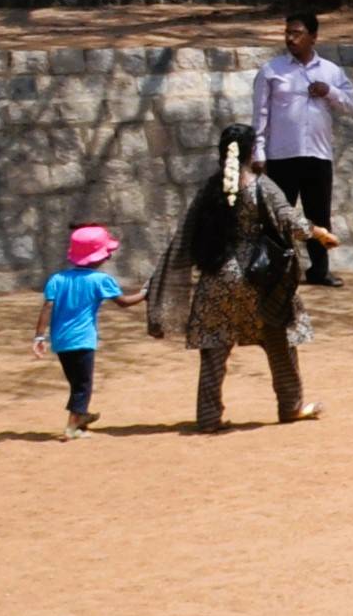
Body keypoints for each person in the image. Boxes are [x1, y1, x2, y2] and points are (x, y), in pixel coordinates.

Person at [142, 124, 334, 431]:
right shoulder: (261, 185)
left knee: (214, 347)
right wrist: (320, 233)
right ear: (251, 151)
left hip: (216, 279)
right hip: (261, 279)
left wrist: (156, 284)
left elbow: (185, 237)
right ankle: (291, 406)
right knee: (280, 340)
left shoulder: (210, 188)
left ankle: (208, 417)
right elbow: (290, 220)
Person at [251, 11, 353, 286]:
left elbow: (351, 105)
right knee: (278, 216)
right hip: (282, 155)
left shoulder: (331, 71)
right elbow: (260, 114)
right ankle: (276, 272)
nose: (290, 38)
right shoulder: (271, 71)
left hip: (318, 154)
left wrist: (329, 91)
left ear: (313, 37)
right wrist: (258, 151)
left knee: (318, 214)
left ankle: (319, 271)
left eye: (297, 33)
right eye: (287, 33)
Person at [36, 224, 127, 430]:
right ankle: (72, 427)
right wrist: (146, 293)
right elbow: (124, 302)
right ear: (99, 257)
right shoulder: (101, 280)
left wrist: (39, 337)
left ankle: (82, 416)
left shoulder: (57, 279)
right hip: (83, 340)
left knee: (76, 382)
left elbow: (47, 307)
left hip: (60, 340)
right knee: (83, 385)